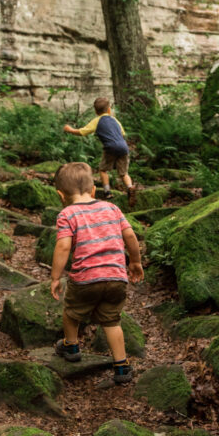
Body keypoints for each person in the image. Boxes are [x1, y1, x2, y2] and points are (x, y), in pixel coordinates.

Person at [50, 161, 144, 384]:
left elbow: (63, 246)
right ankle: (121, 366)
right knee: (112, 321)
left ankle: (71, 346)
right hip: (116, 278)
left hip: (85, 279)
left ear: (60, 195)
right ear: (93, 190)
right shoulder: (112, 208)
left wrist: (55, 277)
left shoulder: (67, 214)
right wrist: (136, 262)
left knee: (71, 312)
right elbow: (130, 236)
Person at [63, 96, 137, 207]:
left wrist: (70, 130)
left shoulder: (97, 121)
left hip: (110, 148)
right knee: (124, 173)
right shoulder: (115, 120)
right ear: (109, 109)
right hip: (123, 147)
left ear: (95, 111)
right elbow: (123, 133)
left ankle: (107, 192)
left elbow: (82, 132)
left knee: (103, 170)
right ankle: (130, 188)